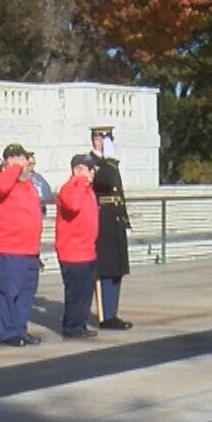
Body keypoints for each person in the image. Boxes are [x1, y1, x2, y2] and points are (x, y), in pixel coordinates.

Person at [0, 144, 43, 346]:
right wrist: (13, 168)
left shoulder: (27, 185)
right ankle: (8, 332)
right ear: (10, 160)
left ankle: (20, 328)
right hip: (9, 249)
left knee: (26, 293)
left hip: (29, 249)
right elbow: (1, 187)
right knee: (7, 292)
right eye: (20, 158)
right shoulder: (2, 179)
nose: (25, 162)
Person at [88, 125, 132, 330]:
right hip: (102, 221)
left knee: (116, 270)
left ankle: (112, 312)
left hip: (114, 220)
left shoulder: (109, 162)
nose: (107, 144)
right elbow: (107, 180)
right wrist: (108, 160)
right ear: (95, 140)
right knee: (106, 269)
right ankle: (106, 316)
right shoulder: (91, 162)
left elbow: (118, 193)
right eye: (104, 140)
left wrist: (125, 220)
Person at [56, 155, 100, 339]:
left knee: (84, 293)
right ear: (77, 170)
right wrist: (80, 180)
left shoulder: (88, 190)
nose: (91, 173)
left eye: (92, 169)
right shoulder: (70, 188)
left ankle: (80, 324)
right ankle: (71, 326)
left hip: (87, 250)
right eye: (87, 169)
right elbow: (73, 206)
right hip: (72, 251)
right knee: (75, 292)